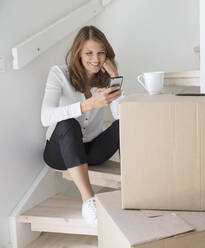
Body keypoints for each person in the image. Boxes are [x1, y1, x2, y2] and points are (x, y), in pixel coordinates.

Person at [41, 25, 123, 227]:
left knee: (125, 123)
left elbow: (122, 115)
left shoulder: (106, 81)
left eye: (101, 53)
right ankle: (89, 202)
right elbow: (45, 117)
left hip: (93, 151)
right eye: (89, 53)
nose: (95, 59)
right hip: (60, 152)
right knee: (68, 123)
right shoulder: (59, 73)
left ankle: (135, 185)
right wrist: (86, 105)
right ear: (78, 53)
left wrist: (116, 78)